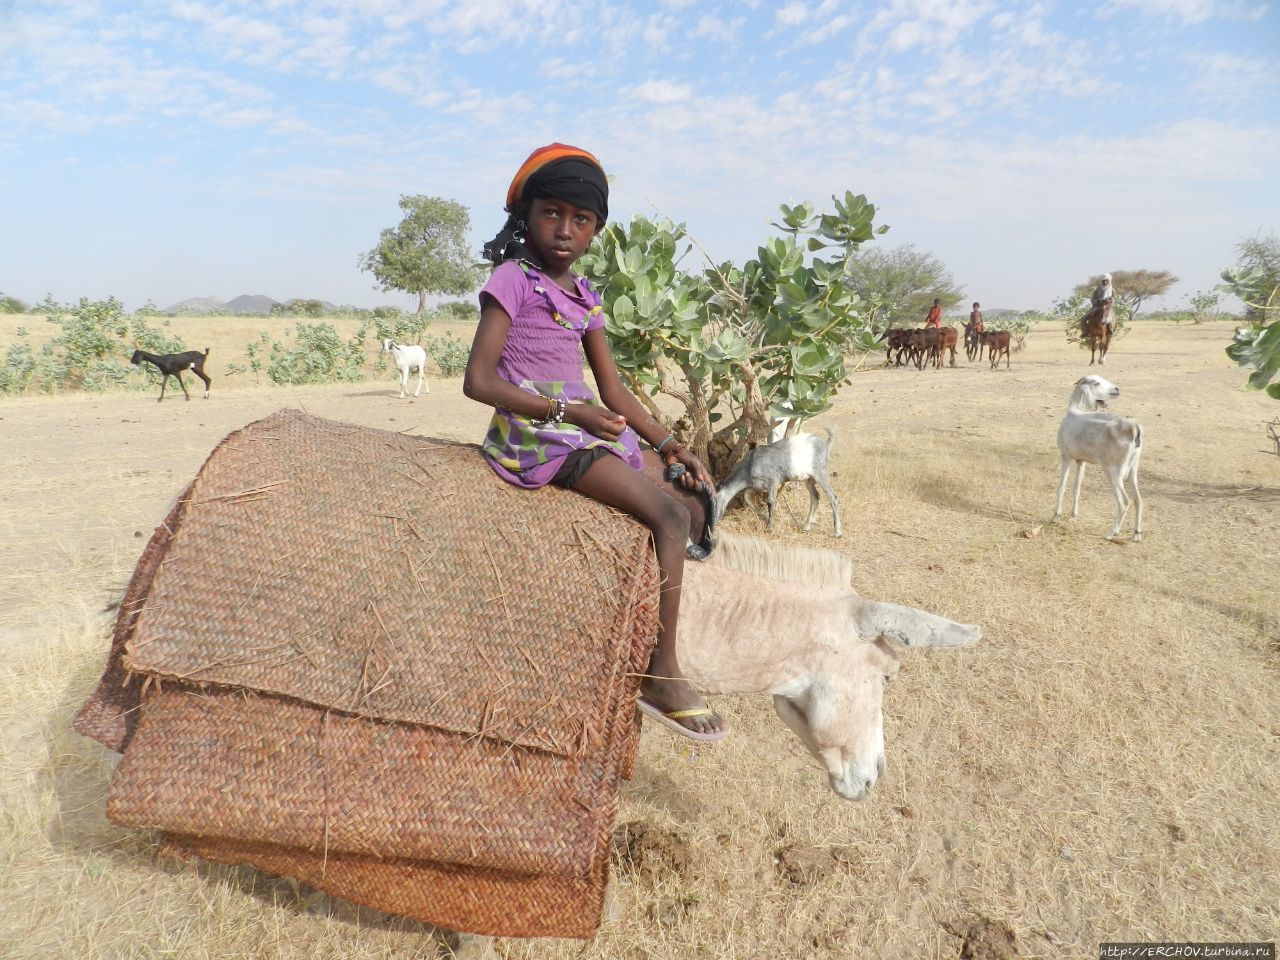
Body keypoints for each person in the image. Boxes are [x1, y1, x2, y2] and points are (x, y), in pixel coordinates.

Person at [463, 143, 728, 742]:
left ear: (596, 231)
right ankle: (661, 672)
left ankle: (644, 622)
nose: (564, 230)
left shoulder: (584, 297)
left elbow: (614, 391)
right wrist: (567, 410)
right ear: (525, 216)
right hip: (537, 438)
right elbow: (478, 381)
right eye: (551, 213)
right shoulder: (513, 280)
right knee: (665, 514)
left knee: (685, 496)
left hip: (577, 427)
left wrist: (670, 444)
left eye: (581, 220)